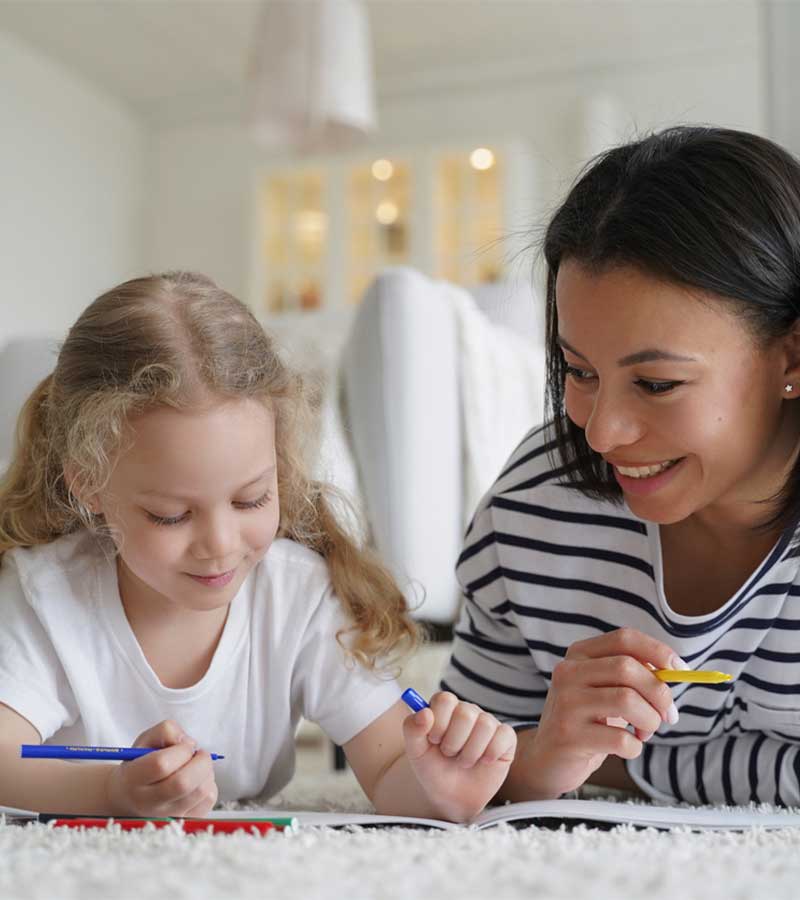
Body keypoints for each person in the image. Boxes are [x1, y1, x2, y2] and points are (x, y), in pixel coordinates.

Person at [0, 271, 515, 821]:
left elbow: (391, 772)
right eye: (170, 515)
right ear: (88, 483)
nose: (220, 546)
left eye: (250, 501)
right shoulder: (44, 596)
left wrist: (440, 783)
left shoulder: (299, 594)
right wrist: (108, 794)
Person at [442, 125, 800, 807]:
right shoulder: (532, 507)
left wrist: (621, 769)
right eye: (579, 371)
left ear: (791, 357)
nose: (601, 432)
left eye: (657, 383)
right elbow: (461, 758)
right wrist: (546, 754)